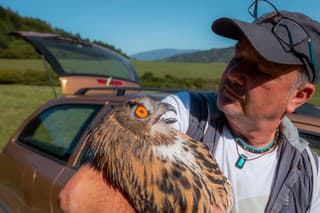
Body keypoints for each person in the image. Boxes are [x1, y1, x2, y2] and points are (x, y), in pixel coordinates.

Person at [59, 1, 320, 212]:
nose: (233, 73)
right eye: (237, 57)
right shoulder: (184, 113)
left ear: (299, 96)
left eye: (260, 68)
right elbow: (80, 197)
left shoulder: (311, 174)